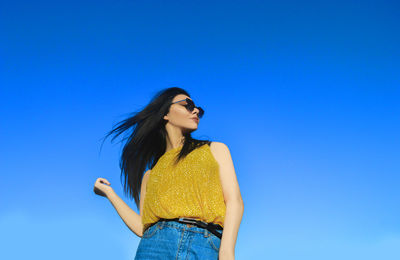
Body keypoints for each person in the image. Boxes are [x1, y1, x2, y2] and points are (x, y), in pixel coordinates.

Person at [93, 87, 244, 259]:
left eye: (198, 110)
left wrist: (227, 252)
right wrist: (109, 193)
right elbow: (142, 227)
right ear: (165, 114)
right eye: (187, 105)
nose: (195, 110)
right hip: (153, 247)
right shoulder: (150, 175)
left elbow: (235, 202)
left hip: (204, 245)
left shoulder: (214, 149)